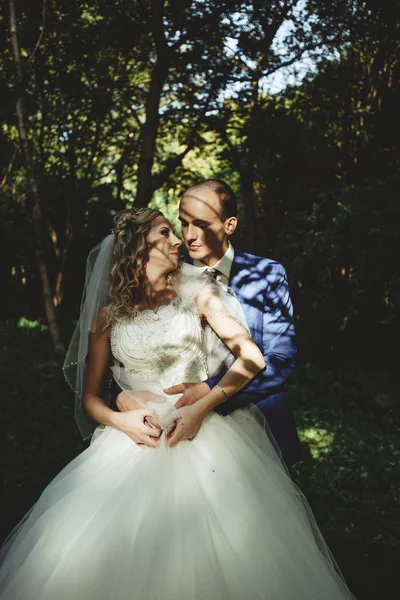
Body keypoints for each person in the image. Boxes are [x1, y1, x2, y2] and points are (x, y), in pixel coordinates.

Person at [0, 207, 355, 600]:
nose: (177, 241)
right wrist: (124, 423)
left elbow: (252, 358)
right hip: (133, 442)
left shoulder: (199, 296)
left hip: (201, 436)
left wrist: (199, 408)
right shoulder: (107, 318)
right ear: (139, 250)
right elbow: (90, 397)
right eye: (166, 233)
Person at [116, 179, 301, 469]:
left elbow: (280, 359)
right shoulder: (166, 274)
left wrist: (208, 392)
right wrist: (123, 398)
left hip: (256, 423)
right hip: (176, 429)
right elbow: (130, 347)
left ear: (229, 225)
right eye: (184, 223)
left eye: (201, 224)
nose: (189, 235)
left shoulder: (266, 275)